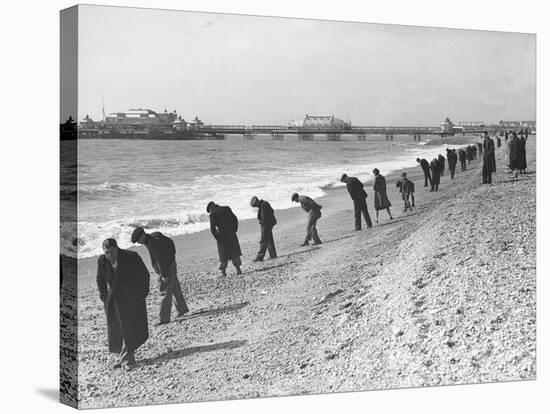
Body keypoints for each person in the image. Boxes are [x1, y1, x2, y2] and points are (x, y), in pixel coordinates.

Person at [96, 238, 150, 371]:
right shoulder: (102, 261)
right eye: (107, 252)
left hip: (131, 299)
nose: (110, 255)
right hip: (113, 300)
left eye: (112, 251)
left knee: (130, 329)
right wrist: (105, 297)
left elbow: (144, 275)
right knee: (117, 330)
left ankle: (127, 359)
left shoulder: (131, 257)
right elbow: (100, 280)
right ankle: (123, 357)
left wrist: (141, 294)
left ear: (117, 248)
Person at [131, 227, 189, 325]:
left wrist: (164, 274)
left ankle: (164, 318)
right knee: (174, 286)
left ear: (142, 235)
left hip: (166, 268)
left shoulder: (151, 244)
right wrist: (172, 257)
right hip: (171, 264)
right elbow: (170, 242)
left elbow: (160, 260)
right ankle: (182, 309)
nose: (138, 242)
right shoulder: (155, 235)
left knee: (165, 292)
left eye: (138, 240)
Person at [207, 201, 242, 277]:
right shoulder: (226, 208)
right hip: (231, 233)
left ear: (210, 208)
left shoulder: (212, 214)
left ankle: (223, 272)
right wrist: (234, 229)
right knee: (234, 252)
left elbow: (213, 229)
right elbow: (235, 219)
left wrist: (218, 238)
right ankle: (238, 269)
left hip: (222, 235)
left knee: (223, 255)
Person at [250, 196, 277, 262]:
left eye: (255, 205)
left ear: (257, 202)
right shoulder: (265, 203)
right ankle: (273, 255)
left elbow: (264, 218)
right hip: (269, 223)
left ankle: (260, 257)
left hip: (266, 225)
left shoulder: (263, 205)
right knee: (269, 239)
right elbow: (272, 211)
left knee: (263, 241)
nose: (256, 207)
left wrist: (263, 223)